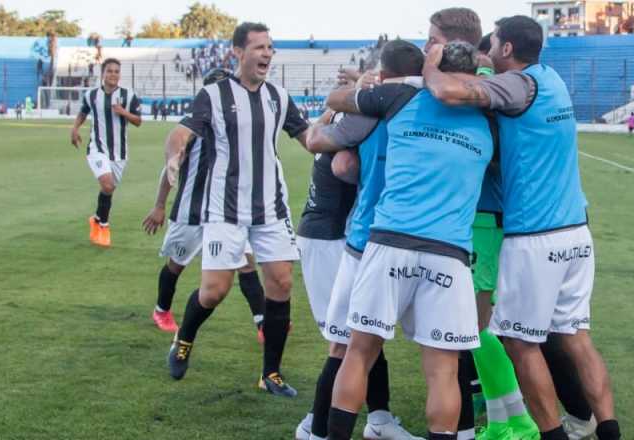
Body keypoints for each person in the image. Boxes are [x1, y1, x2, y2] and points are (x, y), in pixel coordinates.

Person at [423, 16, 622, 440]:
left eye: (493, 43)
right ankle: (608, 430)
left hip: (536, 233)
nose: (489, 49)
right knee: (576, 338)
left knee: (519, 342)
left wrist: (432, 64)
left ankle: (551, 434)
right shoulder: (551, 79)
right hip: (576, 230)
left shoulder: (519, 85)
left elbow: (446, 91)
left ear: (508, 49)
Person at [323, 40, 493, 440]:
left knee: (359, 353)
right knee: (443, 370)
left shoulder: (400, 96)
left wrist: (410, 76)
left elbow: (335, 99)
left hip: (389, 243)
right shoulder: (488, 120)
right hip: (449, 253)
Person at [163, 22, 308, 398]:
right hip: (225, 209)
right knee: (214, 291)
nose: (267, 54)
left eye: (270, 48)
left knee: (281, 283)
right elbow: (180, 133)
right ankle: (184, 337)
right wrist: (173, 157)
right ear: (237, 52)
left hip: (271, 207)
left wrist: (341, 136)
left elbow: (308, 137)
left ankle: (271, 373)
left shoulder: (279, 95)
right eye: (259, 47)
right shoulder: (213, 95)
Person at [294, 39, 426, 440]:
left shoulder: (372, 105)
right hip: (359, 236)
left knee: (355, 341)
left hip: (361, 234)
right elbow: (336, 158)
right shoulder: (432, 102)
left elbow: (332, 153)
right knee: (357, 340)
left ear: (381, 76)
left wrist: (343, 102)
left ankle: (364, 422)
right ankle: (325, 427)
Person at [140, 68, 267, 339]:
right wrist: (160, 205)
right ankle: (161, 309)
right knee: (176, 264)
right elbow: (170, 168)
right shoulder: (193, 126)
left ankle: (262, 322)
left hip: (225, 211)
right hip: (191, 211)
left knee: (245, 261)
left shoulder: (235, 127)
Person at [69, 58, 142, 248]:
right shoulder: (91, 95)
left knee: (108, 189)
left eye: (117, 71)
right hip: (97, 148)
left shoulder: (128, 95)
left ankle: (96, 219)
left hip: (120, 153)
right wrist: (75, 128)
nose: (113, 75)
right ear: (103, 74)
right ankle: (104, 226)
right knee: (108, 185)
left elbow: (138, 121)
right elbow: (83, 112)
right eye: (109, 71)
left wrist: (122, 112)